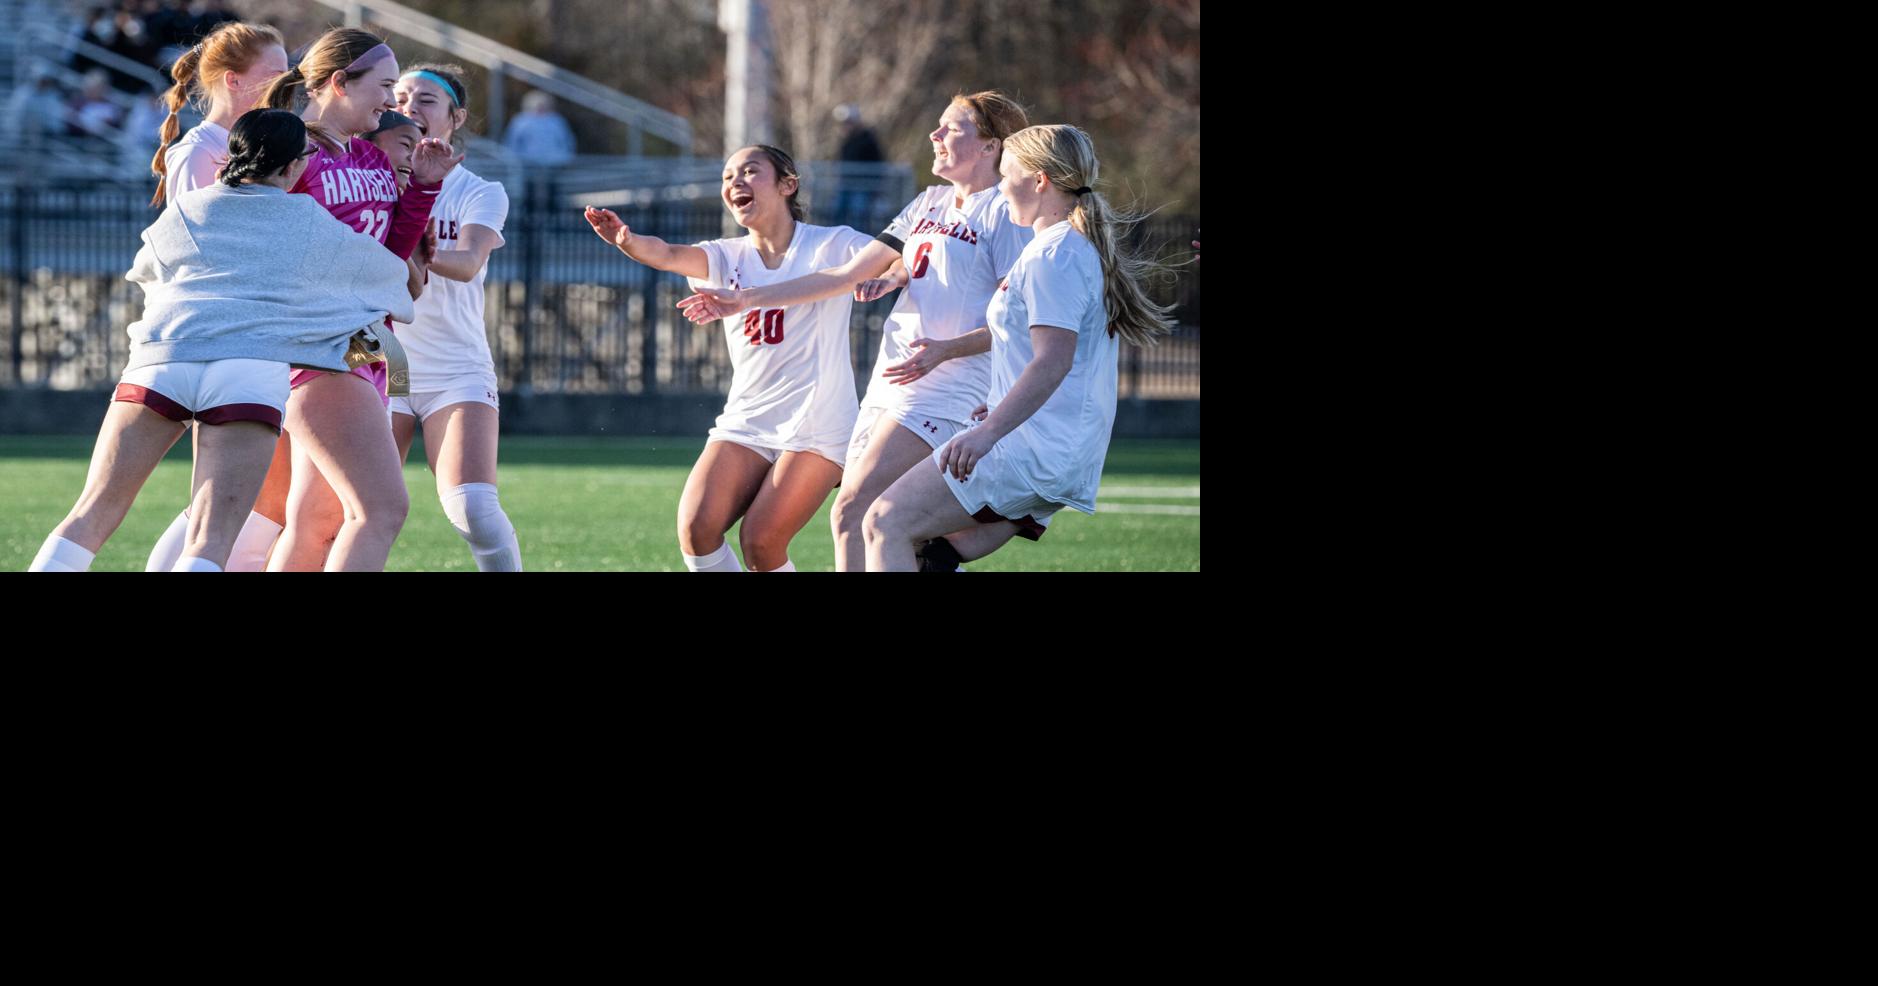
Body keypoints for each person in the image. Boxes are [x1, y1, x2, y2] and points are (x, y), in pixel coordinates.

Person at [27, 109, 413, 572]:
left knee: (88, 516)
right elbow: (391, 282)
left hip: (162, 359)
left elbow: (145, 269)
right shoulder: (311, 220)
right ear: (293, 167)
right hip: (248, 370)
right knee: (208, 543)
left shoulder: (190, 207)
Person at [676, 91, 1031, 571]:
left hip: (948, 392)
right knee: (886, 529)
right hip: (889, 388)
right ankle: (985, 528)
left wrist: (947, 349)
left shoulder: (1005, 214)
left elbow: (1017, 320)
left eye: (951, 127)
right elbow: (844, 275)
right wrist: (750, 297)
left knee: (855, 513)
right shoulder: (929, 201)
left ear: (991, 146)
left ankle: (1005, 515)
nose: (935, 134)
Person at [861, 124, 1177, 571]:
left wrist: (987, 433)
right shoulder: (1063, 248)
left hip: (1030, 451)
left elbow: (1053, 360)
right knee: (931, 552)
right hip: (1052, 451)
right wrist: (996, 406)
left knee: (882, 523)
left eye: (1006, 174)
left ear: (1038, 179)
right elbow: (1042, 355)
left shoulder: (1057, 255)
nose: (1000, 187)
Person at [584, 144, 875, 572]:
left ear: (787, 185)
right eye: (726, 176)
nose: (734, 182)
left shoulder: (832, 243)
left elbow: (893, 257)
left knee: (760, 541)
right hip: (747, 420)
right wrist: (626, 240)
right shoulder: (725, 255)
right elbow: (665, 253)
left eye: (750, 171)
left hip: (818, 425)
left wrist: (889, 274)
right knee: (696, 529)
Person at [258, 28, 459, 571]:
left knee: (318, 522)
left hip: (368, 346)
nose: (394, 101)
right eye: (386, 85)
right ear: (340, 82)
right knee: (382, 510)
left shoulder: (369, 159)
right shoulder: (291, 149)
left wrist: (422, 189)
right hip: (320, 347)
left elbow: (388, 264)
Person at [140, 19, 291, 572]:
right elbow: (198, 250)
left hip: (255, 336)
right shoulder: (199, 149)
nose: (286, 84)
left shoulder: (267, 141)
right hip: (213, 341)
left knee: (247, 497)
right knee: (219, 498)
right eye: (274, 75)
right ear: (232, 80)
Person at [389, 63, 523, 571]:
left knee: (473, 508)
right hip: (380, 360)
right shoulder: (370, 176)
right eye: (399, 96)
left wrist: (415, 252)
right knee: (350, 510)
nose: (409, 108)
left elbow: (467, 264)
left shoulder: (479, 190)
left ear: (454, 116)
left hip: (454, 365)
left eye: (425, 99)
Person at [503, 90, 575, 166]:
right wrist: (512, 158)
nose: (540, 107)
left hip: (553, 161)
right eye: (538, 105)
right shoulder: (521, 120)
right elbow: (512, 140)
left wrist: (565, 156)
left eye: (543, 104)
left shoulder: (556, 120)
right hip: (527, 161)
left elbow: (566, 140)